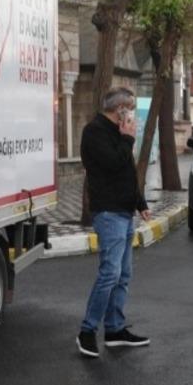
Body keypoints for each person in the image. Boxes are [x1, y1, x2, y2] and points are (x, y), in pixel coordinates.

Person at [76, 87, 152, 358]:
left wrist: (140, 203)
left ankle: (115, 329)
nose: (130, 112)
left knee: (123, 274)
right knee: (109, 273)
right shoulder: (94, 132)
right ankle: (87, 331)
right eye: (128, 107)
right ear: (118, 108)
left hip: (124, 211)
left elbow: (128, 172)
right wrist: (129, 139)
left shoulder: (120, 133)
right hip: (108, 212)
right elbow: (111, 164)